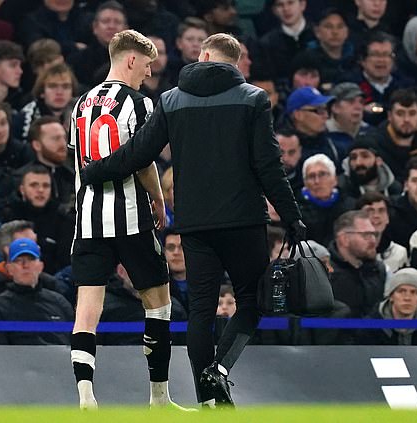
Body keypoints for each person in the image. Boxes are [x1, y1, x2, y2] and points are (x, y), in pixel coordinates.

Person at [79, 33, 305, 408]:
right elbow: (268, 165)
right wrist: (293, 215)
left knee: (201, 309)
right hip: (243, 220)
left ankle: (207, 402)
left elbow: (140, 152)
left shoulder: (171, 100)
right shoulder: (253, 99)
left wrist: (96, 171)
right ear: (235, 63)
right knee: (251, 301)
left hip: (195, 225)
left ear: (202, 56)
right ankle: (219, 371)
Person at [67, 29, 185, 411]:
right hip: (131, 219)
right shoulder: (139, 103)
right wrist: (158, 198)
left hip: (87, 222)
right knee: (158, 304)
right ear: (131, 59)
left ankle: (85, 394)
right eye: (147, 65)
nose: (148, 74)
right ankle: (159, 397)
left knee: (86, 313)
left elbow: (79, 160)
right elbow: (142, 160)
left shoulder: (81, 103)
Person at [0, 220, 72, 322]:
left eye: (35, 243)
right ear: (8, 250)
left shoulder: (51, 286)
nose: (37, 248)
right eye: (27, 243)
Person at [0, 238, 74, 345]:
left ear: (40, 266)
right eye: (18, 260)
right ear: (9, 268)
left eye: (31, 259)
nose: (25, 265)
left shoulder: (59, 302)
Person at [357, 267, 417, 345]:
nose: (407, 298)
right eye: (401, 291)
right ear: (391, 296)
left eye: (414, 292)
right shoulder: (368, 328)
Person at [327, 210, 386, 318]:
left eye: (374, 234)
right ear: (344, 239)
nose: (373, 241)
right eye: (366, 235)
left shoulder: (378, 270)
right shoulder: (324, 274)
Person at [356, 192, 408, 273]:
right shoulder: (350, 252)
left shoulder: (399, 253)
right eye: (370, 211)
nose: (376, 216)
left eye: (381, 211)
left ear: (388, 218)